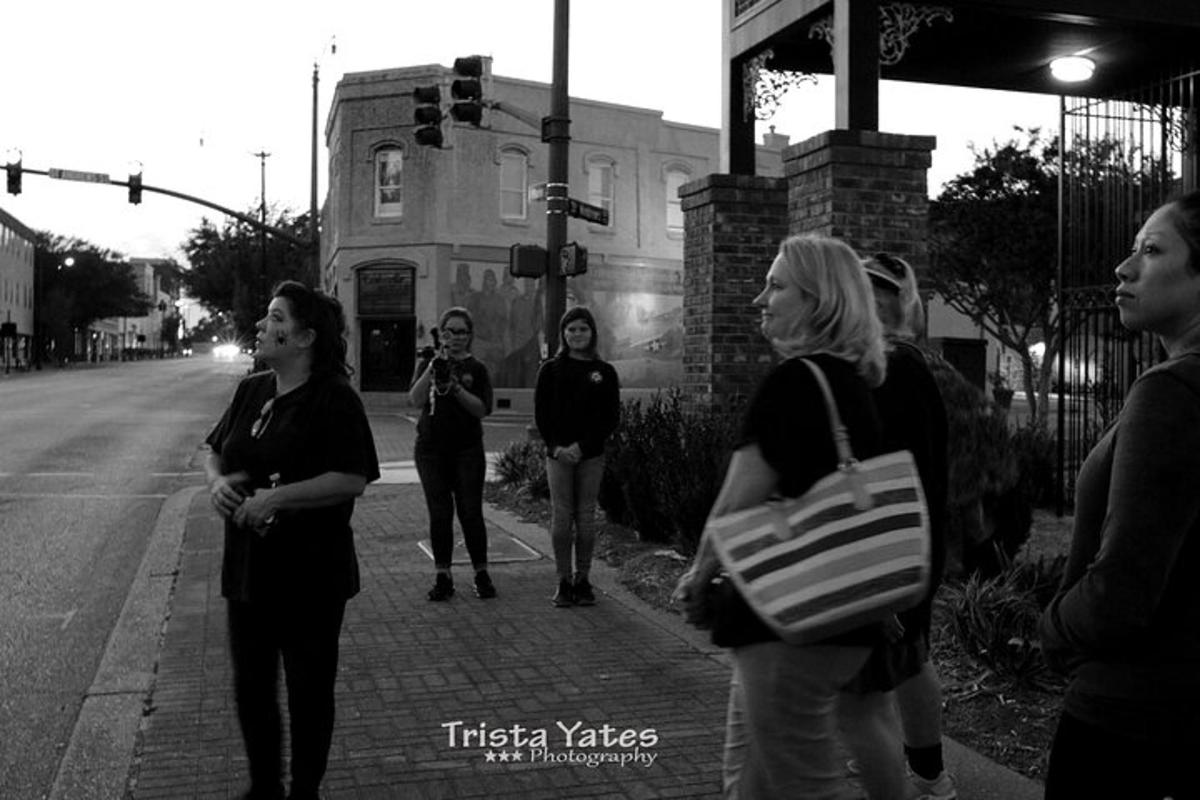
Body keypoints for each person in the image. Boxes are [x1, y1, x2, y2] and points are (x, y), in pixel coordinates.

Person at [673, 233, 909, 800]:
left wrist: (699, 575)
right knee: (752, 782)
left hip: (784, 617)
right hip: (844, 614)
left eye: (776, 286)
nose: (760, 299)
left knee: (801, 786)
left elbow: (737, 502)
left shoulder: (795, 382)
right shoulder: (851, 384)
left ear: (817, 301)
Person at [1038, 191, 1200, 799]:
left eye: (1151, 251)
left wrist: (1052, 629)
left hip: (1129, 718)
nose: (1122, 268)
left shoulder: (1173, 392)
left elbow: (1121, 590)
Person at [204, 281, 380, 800]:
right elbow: (215, 450)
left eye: (276, 318)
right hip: (248, 569)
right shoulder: (252, 389)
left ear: (304, 338)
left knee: (309, 691)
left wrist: (277, 499)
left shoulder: (334, 398)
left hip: (311, 573)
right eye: (266, 315)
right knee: (252, 686)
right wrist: (217, 483)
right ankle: (264, 788)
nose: (262, 325)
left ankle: (305, 791)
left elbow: (353, 478)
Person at [839, 253, 954, 799]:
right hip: (894, 539)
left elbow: (903, 469)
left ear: (897, 303)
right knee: (892, 659)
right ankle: (887, 755)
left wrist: (888, 564)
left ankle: (928, 776)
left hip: (899, 542)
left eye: (878, 290)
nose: (864, 296)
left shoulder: (896, 365)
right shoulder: (874, 362)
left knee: (907, 657)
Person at [534, 306, 621, 607]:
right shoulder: (550, 370)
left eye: (583, 328)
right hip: (558, 455)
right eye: (571, 329)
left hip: (590, 455)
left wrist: (582, 447)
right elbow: (542, 415)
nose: (577, 334)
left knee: (585, 516)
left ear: (592, 332)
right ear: (563, 334)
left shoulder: (604, 372)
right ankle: (563, 580)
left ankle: (583, 580)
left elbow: (610, 417)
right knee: (561, 516)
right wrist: (557, 448)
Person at [410, 306, 497, 601]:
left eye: (461, 332)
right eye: (449, 331)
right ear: (442, 333)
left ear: (470, 335)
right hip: (430, 450)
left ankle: (481, 573)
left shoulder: (477, 369)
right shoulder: (429, 363)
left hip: (466, 450)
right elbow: (415, 399)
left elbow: (482, 409)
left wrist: (456, 387)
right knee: (440, 513)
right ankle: (443, 575)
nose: (455, 337)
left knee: (470, 512)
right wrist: (434, 367)